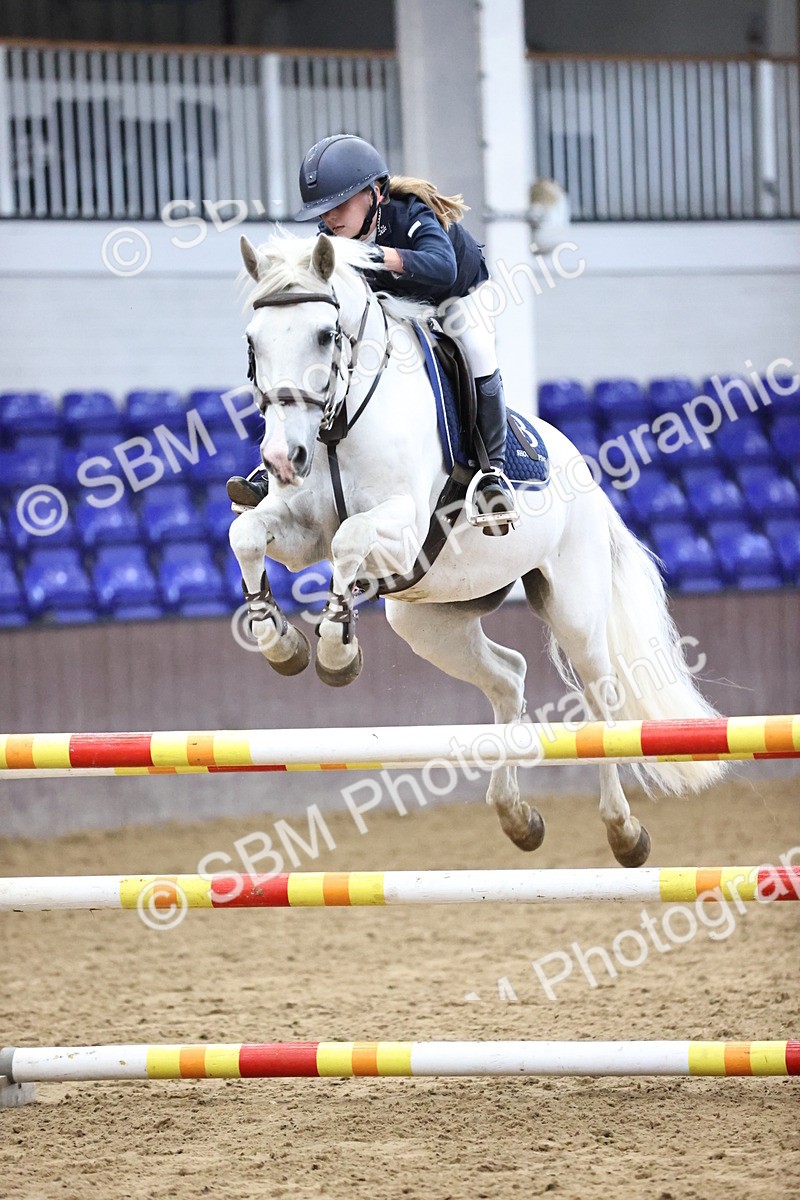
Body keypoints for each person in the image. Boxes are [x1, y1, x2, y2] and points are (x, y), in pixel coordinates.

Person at [228, 133, 517, 531]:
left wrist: (374, 255)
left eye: (339, 204)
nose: (329, 218)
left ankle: (492, 473)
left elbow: (442, 267)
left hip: (452, 295)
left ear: (374, 193)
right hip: (393, 302)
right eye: (322, 209)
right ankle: (279, 465)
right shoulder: (329, 240)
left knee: (479, 349)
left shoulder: (409, 212)